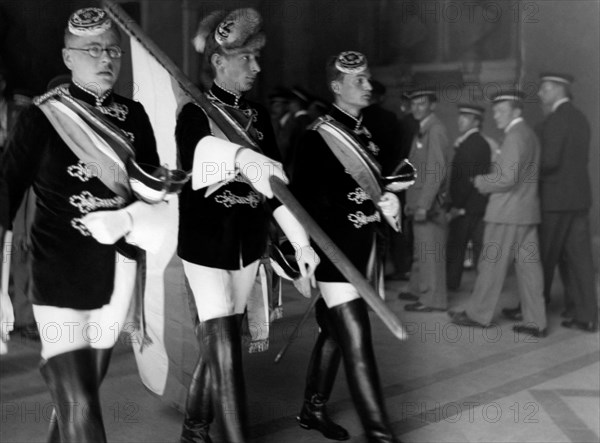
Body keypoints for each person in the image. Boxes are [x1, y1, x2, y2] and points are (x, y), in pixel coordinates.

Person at [0, 7, 170, 442]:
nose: (106, 58)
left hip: (118, 273)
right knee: (81, 406)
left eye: (112, 49)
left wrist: (134, 215)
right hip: (58, 274)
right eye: (92, 49)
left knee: (79, 396)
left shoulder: (134, 117)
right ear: (68, 57)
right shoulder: (42, 117)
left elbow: (155, 192)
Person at [177, 9, 318, 442]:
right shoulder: (194, 111)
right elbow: (196, 159)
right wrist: (239, 157)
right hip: (204, 245)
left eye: (257, 58)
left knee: (221, 345)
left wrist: (301, 244)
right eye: (246, 59)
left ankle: (194, 430)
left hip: (245, 244)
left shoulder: (258, 116)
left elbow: (275, 189)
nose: (256, 68)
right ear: (219, 62)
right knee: (222, 338)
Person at [291, 51, 403, 443]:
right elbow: (300, 202)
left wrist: (391, 200)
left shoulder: (367, 132)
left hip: (366, 246)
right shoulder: (316, 135)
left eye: (369, 79)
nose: (369, 86)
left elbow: (380, 184)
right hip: (335, 252)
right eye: (359, 81)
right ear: (336, 87)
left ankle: (313, 407)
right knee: (357, 336)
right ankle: (379, 434)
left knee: (335, 331)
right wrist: (304, 256)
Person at [503, 73, 598, 332]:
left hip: (554, 201)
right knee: (580, 261)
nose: (541, 93)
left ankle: (531, 311)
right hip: (579, 200)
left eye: (545, 89)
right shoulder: (581, 119)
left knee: (540, 258)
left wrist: (525, 169)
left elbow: (551, 161)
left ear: (559, 89)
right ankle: (586, 315)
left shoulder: (556, 120)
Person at [450, 90, 547, 337]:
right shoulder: (529, 134)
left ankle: (478, 315)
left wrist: (479, 181)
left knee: (490, 265)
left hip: (506, 212)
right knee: (529, 269)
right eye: (494, 111)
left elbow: (507, 178)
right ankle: (536, 321)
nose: (495, 116)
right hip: (526, 212)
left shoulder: (514, 136)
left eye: (501, 110)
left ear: (517, 110)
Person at [400, 88, 451, 312]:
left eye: (422, 103)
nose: (416, 108)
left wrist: (424, 204)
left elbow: (436, 170)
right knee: (422, 251)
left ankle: (433, 300)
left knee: (430, 252)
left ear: (433, 105)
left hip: (428, 203)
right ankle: (419, 289)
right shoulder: (423, 129)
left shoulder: (435, 129)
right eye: (413, 104)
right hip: (419, 199)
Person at [445, 104, 491, 291]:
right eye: (460, 115)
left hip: (465, 206)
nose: (460, 120)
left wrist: (456, 206)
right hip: (479, 205)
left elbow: (465, 180)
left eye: (466, 117)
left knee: (456, 248)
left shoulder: (470, 145)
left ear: (476, 121)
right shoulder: (480, 142)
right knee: (480, 249)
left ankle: (451, 285)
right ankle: (484, 287)